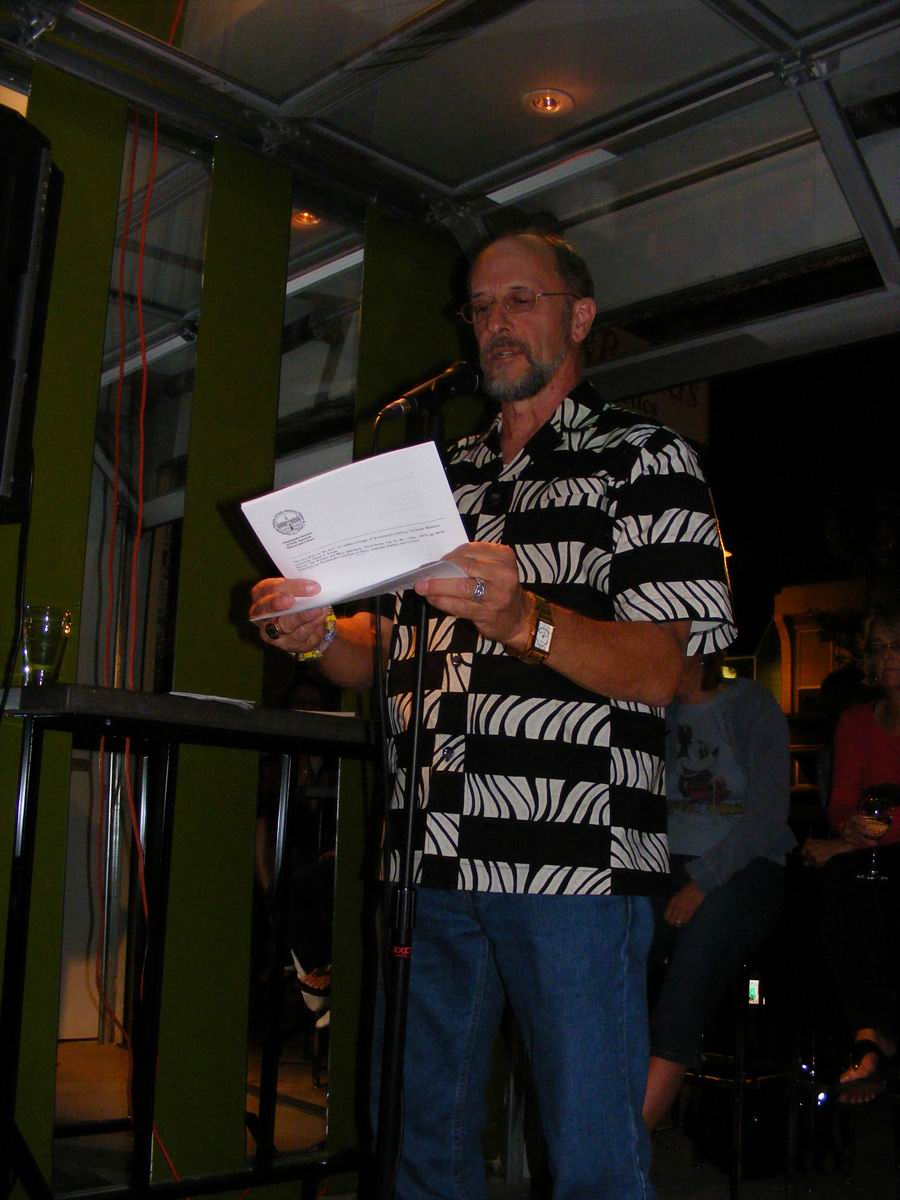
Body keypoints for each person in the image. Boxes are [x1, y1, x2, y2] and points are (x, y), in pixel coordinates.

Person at [249, 229, 736, 1199]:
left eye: (522, 299)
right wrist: (314, 634)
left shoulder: (646, 459)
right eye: (480, 306)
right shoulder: (442, 476)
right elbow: (383, 655)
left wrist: (524, 620)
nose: (496, 322)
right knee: (418, 1147)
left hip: (572, 867)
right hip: (426, 858)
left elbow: (661, 668)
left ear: (579, 317)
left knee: (592, 1160)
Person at [642, 653, 794, 1131]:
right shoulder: (656, 711)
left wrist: (702, 882)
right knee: (609, 962)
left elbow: (767, 815)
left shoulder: (750, 704)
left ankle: (625, 1146)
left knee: (681, 999)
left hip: (743, 868)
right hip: (664, 867)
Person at [802, 609, 900, 1102]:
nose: (886, 658)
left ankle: (879, 1036)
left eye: (896, 646)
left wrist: (845, 842)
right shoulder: (856, 721)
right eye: (878, 648)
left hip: (882, 853)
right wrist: (848, 830)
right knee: (839, 886)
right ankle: (868, 1035)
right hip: (869, 854)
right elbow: (843, 802)